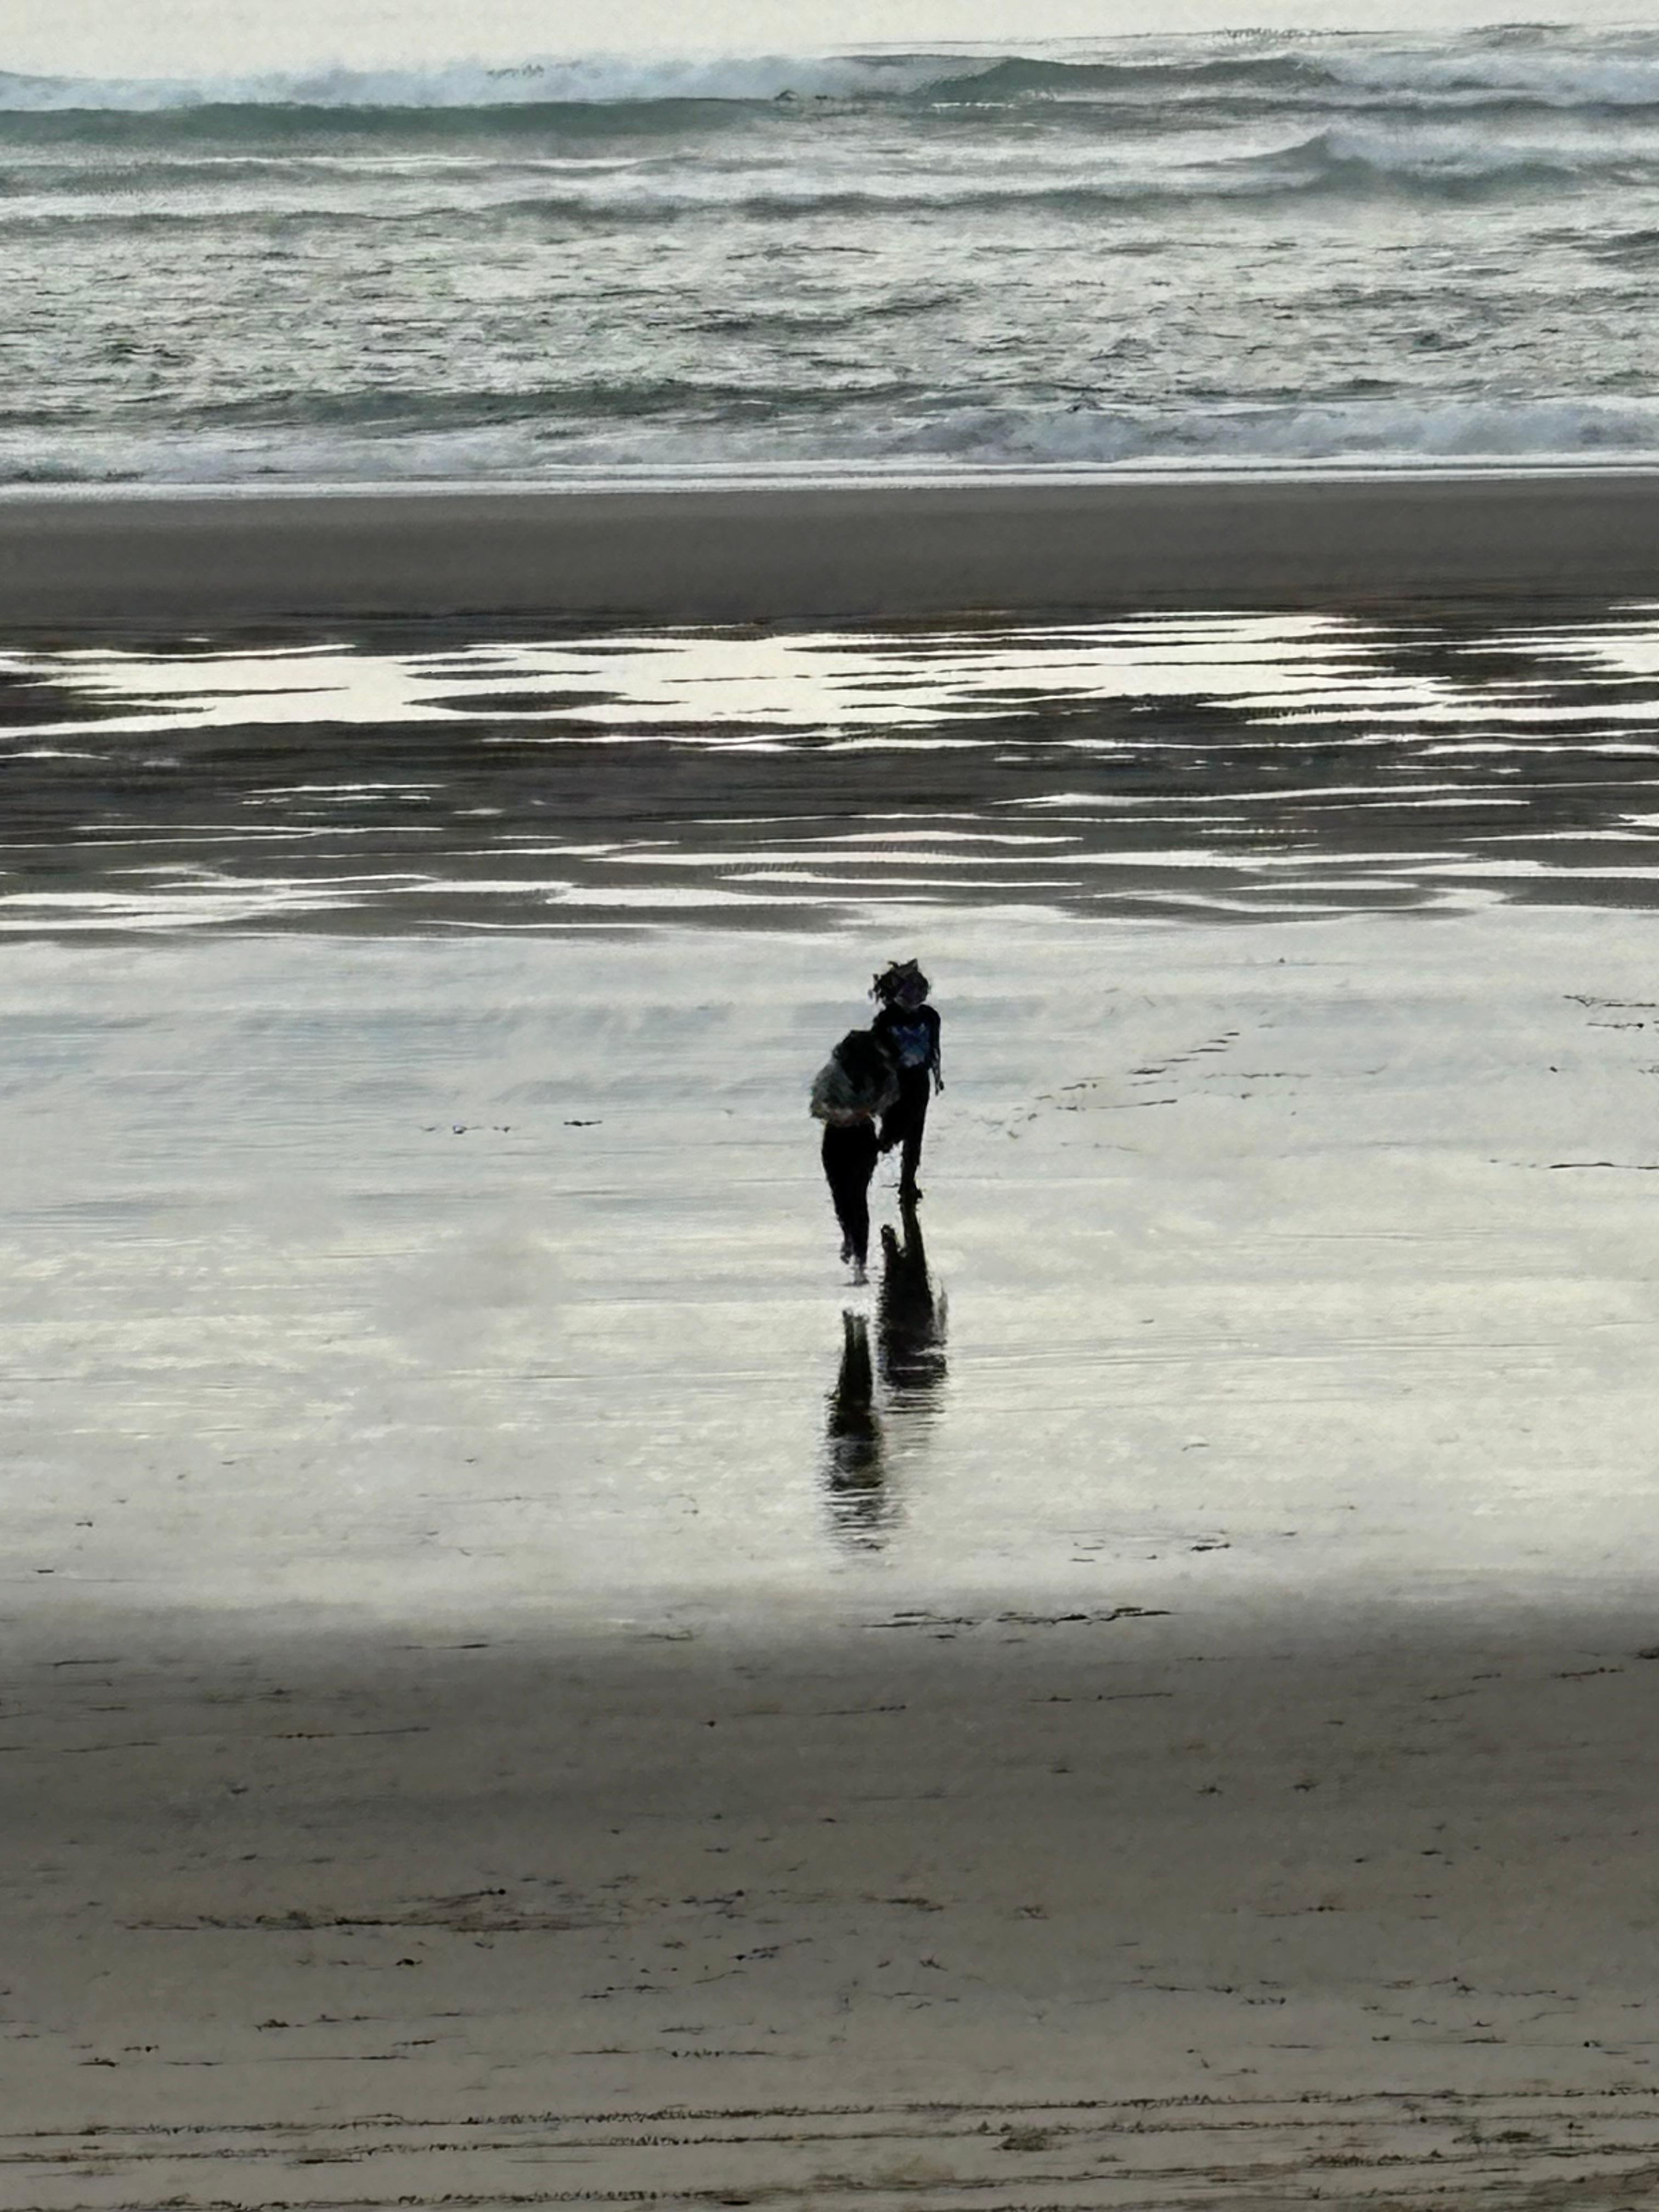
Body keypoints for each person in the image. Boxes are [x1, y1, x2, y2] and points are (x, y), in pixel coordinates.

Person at [810, 1027, 899, 1280]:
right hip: (844, 1134)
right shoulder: (833, 1073)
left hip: (853, 1134)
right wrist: (844, 1112)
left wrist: (865, 1111)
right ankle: (851, 1239)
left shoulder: (879, 1072)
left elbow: (891, 1095)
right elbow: (817, 1104)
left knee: (853, 1196)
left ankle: (859, 1255)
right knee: (843, 1195)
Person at [870, 960, 943, 1202]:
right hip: (894, 1080)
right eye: (911, 989)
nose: (918, 993)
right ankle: (876, 1152)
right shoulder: (885, 1020)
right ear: (896, 993)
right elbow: (876, 1054)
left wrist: (937, 1075)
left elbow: (934, 1049)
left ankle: (908, 1183)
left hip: (919, 1079)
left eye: (921, 989)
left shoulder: (931, 1017)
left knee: (916, 1132)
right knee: (893, 1130)